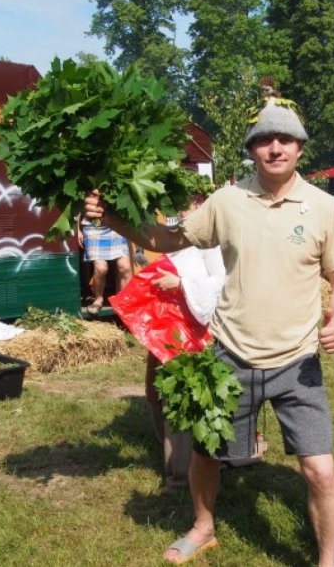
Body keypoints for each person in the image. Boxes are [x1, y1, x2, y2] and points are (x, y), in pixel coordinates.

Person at [85, 96, 334, 566]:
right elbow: (169, 239)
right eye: (265, 140)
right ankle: (203, 526)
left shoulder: (324, 208)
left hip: (299, 362)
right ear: (252, 149)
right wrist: (111, 218)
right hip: (231, 354)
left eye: (285, 139)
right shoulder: (228, 201)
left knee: (320, 470)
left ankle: (327, 560)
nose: (275, 148)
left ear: (300, 148)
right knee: (207, 455)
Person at [141, 193, 226, 492]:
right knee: (154, 393)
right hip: (166, 324)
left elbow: (221, 280)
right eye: (184, 202)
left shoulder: (212, 240)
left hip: (192, 328)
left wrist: (181, 285)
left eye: (193, 203)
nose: (185, 208)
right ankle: (178, 460)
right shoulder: (179, 235)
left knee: (180, 398)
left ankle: (178, 476)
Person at [77, 218, 132, 314]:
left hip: (116, 226)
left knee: (125, 268)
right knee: (101, 268)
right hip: (94, 226)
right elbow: (76, 208)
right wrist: (77, 230)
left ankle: (125, 302)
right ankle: (98, 299)